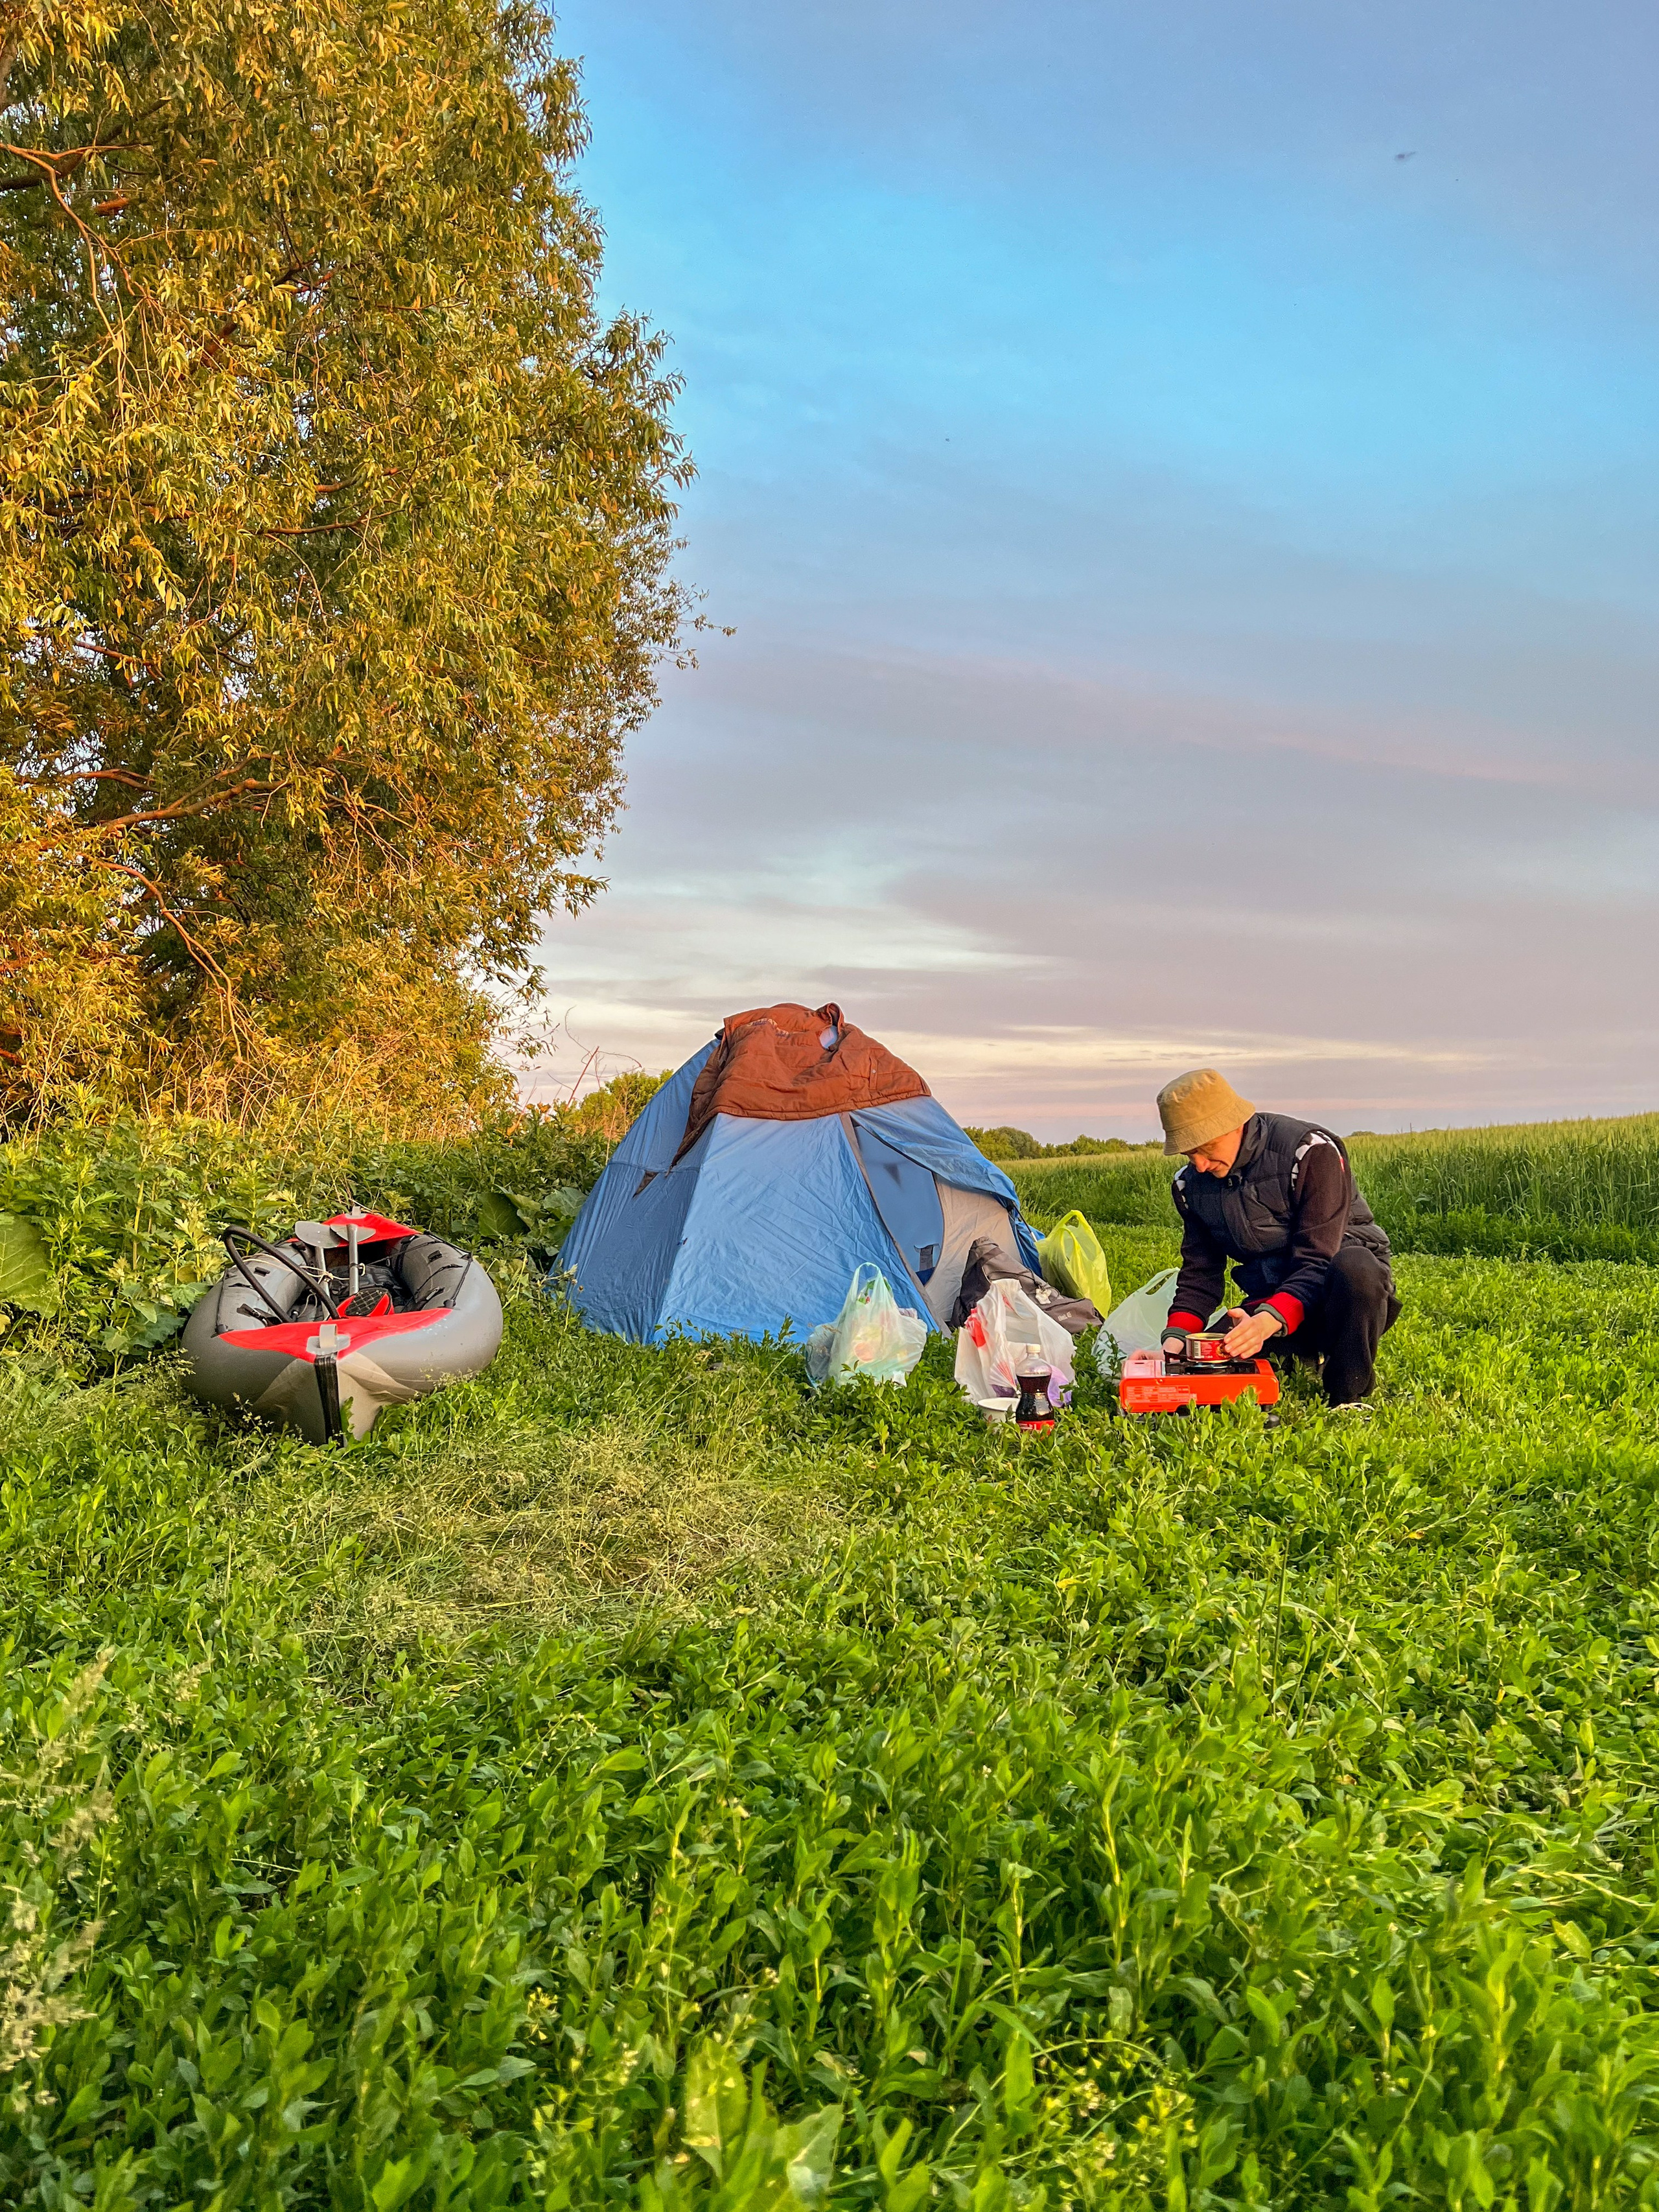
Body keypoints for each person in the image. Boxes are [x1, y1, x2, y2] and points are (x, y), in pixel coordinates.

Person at [1155, 1067, 1399, 1408]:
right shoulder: (1189, 1186)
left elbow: (1319, 1259)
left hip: (1344, 1295)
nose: (1198, 1164)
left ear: (1235, 1123)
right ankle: (1300, 1352)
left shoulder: (1310, 1151)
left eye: (1205, 1147)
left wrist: (1266, 1323)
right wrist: (1174, 1345)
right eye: (1187, 1153)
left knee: (1356, 1267)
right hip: (1273, 1297)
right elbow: (1201, 1273)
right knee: (1216, 1354)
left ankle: (1349, 1392)